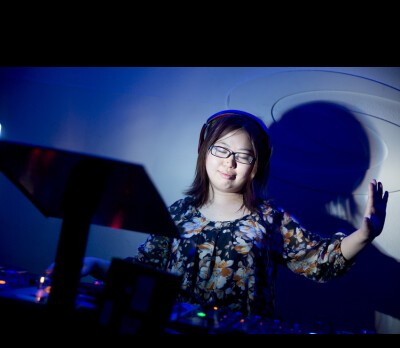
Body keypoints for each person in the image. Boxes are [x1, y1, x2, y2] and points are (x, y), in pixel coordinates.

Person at [47, 109, 389, 329]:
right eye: (221, 150)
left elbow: (319, 261)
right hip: (175, 328)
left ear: (257, 166)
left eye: (243, 155)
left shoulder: (270, 219)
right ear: (205, 151)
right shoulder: (180, 211)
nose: (230, 163)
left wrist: (365, 234)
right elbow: (147, 268)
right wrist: (94, 265)